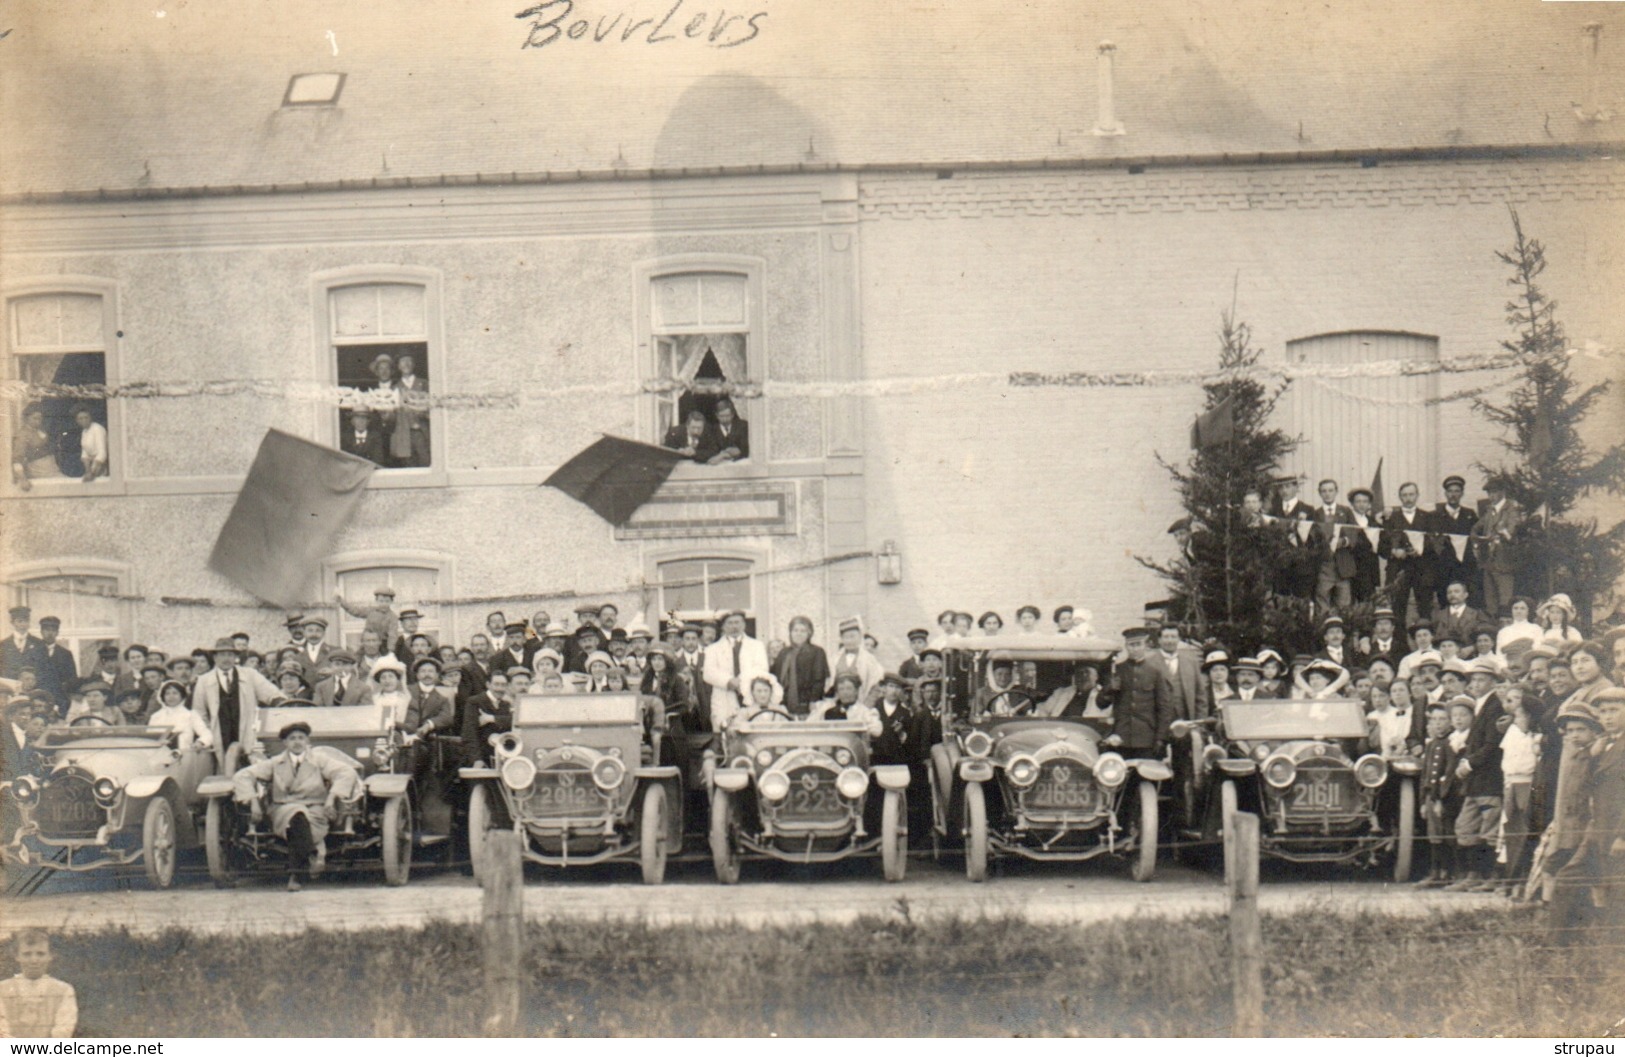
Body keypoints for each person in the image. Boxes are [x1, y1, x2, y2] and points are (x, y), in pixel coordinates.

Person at [232, 720, 362, 891]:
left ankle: (300, 870)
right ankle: (308, 861)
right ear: (285, 743)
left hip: (316, 808)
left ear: (308, 741)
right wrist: (254, 801)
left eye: (301, 737)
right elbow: (243, 775)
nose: (297, 742)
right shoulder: (275, 762)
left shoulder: (319, 760)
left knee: (299, 823)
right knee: (297, 816)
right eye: (292, 738)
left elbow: (347, 772)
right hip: (283, 808)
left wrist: (331, 798)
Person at [1446, 657, 1507, 891]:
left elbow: (1492, 745)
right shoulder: (1481, 704)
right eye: (1475, 679)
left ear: (1493, 681)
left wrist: (1469, 764)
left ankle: (1488, 876)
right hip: (1475, 783)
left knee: (1489, 830)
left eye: (1483, 679)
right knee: (1465, 827)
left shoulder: (1495, 705)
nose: (1477, 683)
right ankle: (1472, 874)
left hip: (1489, 780)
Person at [192, 638, 283, 769]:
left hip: (245, 732)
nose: (226, 659)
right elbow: (199, 713)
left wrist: (281, 703)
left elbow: (272, 694)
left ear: (235, 657)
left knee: (247, 769)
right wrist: (207, 735)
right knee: (222, 772)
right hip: (219, 735)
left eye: (230, 654)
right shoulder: (204, 681)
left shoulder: (249, 674)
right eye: (222, 654)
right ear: (215, 657)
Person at [1498, 685, 1541, 895]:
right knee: (1511, 833)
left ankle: (1521, 881)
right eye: (1517, 715)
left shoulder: (1536, 738)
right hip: (1512, 785)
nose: (1518, 719)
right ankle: (1510, 880)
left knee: (1525, 833)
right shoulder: (1513, 734)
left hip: (1528, 784)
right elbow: (1507, 763)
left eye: (1523, 715)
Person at [1106, 627, 1172, 757]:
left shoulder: (1155, 672)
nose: (1135, 649)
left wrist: (1160, 738)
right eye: (1131, 645)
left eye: (1138, 644)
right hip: (1121, 738)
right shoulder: (1118, 670)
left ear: (1145, 646)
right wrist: (1109, 688)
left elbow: (1164, 708)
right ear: (1126, 646)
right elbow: (1101, 703)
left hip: (1147, 739)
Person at [701, 610, 768, 731]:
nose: (734, 626)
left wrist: (741, 682)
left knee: (753, 729)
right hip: (724, 696)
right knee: (725, 731)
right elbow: (708, 673)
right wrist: (728, 681)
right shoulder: (713, 649)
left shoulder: (757, 645)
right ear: (723, 627)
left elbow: (762, 668)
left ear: (744, 624)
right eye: (730, 623)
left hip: (750, 695)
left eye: (737, 622)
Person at [0, 931, 77, 1038]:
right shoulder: (3, 989)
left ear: (50, 956)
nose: (34, 960)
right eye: (27, 954)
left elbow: (63, 1030)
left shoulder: (63, 990)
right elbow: (2, 1031)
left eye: (40, 954)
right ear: (17, 956)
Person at [1416, 702, 1457, 887]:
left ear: (1450, 722)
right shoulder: (1432, 744)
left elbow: (1448, 773)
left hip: (1444, 798)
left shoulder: (1451, 743)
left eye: (1442, 719)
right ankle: (1435, 872)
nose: (1438, 723)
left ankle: (1447, 872)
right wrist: (1424, 801)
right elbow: (1426, 775)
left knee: (1447, 833)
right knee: (1434, 835)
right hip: (1431, 797)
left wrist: (1441, 798)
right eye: (1434, 720)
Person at [1381, 481, 1434, 623]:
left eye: (1411, 494)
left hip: (1422, 569)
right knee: (1397, 610)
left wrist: (1421, 549)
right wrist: (1393, 551)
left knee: (1425, 609)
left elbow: (1435, 542)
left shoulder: (1427, 517)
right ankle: (1399, 643)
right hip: (1398, 569)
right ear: (1400, 497)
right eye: (1404, 495)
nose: (1408, 498)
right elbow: (1380, 544)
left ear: (1417, 495)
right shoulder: (1390, 518)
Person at [1431, 475, 1481, 609]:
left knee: (1468, 602)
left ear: (1462, 493)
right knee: (1445, 602)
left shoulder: (1469, 514)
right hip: (1444, 568)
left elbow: (1477, 538)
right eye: (1450, 491)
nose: (1453, 495)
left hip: (1465, 568)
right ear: (1445, 493)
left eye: (1457, 491)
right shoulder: (1435, 516)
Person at [771, 616, 830, 718]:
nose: (798, 633)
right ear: (790, 632)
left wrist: (813, 700)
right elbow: (775, 678)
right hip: (785, 706)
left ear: (809, 633)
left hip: (808, 705)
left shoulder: (817, 652)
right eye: (795, 630)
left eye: (803, 631)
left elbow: (819, 679)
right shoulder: (784, 653)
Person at [1311, 478, 1357, 611]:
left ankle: (1344, 630)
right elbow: (1311, 537)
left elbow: (1354, 533)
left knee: (1344, 605)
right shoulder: (1315, 514)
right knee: (1322, 604)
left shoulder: (1346, 511)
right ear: (1319, 493)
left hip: (1343, 565)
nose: (1327, 494)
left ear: (1336, 491)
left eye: (1331, 490)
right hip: (1324, 566)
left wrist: (1344, 542)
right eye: (1324, 491)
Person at [1152, 624, 1204, 721]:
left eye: (1173, 637)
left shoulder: (1191, 662)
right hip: (1157, 721)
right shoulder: (1149, 662)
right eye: (1166, 637)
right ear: (1159, 640)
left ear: (1179, 639)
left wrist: (1199, 723)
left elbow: (1200, 695)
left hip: (1185, 719)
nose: (1170, 641)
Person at [828, 617, 883, 706]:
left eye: (852, 636)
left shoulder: (869, 659)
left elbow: (875, 687)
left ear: (860, 637)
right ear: (841, 639)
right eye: (846, 637)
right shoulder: (834, 660)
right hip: (838, 705)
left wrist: (866, 707)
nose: (849, 641)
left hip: (862, 705)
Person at [148, 679, 215, 751]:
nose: (171, 697)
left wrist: (200, 742)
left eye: (175, 693)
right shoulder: (156, 716)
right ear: (162, 697)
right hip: (159, 756)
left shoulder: (190, 715)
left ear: (182, 696)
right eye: (167, 693)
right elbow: (149, 739)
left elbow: (207, 734)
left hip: (184, 756)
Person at [1345, 487, 1382, 603]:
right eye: (1358, 501)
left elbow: (1377, 548)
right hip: (1350, 568)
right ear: (1352, 504)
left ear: (1369, 504)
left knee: (1366, 604)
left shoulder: (1374, 522)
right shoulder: (1346, 521)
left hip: (1368, 570)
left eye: (1365, 501)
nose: (1362, 505)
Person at [334, 585, 399, 651]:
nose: (384, 604)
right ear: (376, 601)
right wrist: (341, 601)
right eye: (381, 601)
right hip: (366, 643)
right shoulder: (371, 611)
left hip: (382, 646)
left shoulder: (392, 617)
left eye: (387, 601)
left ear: (391, 602)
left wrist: (390, 651)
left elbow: (392, 636)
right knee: (357, 659)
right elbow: (356, 611)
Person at [10, 404, 59, 490]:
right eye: (34, 418)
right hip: (38, 469)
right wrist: (23, 479)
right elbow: (17, 459)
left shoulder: (40, 431)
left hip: (51, 467)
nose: (38, 421)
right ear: (26, 418)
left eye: (40, 418)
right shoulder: (22, 435)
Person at [1432, 580, 1489, 653]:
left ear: (1465, 595)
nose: (1452, 595)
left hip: (1470, 657)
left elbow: (1486, 637)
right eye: (1449, 592)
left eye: (1456, 591)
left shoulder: (1476, 614)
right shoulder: (1439, 615)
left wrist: (1472, 648)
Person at [32, 617, 76, 707]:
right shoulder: (33, 653)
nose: (50, 633)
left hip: (59, 699)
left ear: (57, 633)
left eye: (53, 630)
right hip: (38, 699)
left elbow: (72, 678)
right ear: (41, 632)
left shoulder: (66, 654)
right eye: (47, 630)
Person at [2, 606, 44, 682]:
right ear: (12, 622)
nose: (23, 624)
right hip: (10, 687)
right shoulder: (3, 645)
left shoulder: (39, 644)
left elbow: (43, 669)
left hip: (32, 688)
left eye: (26, 621)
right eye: (20, 621)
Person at [706, 396, 749, 464]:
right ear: (716, 415)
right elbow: (711, 450)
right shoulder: (712, 430)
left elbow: (745, 449)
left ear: (732, 415)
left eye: (727, 415)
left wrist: (736, 452)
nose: (725, 419)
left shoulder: (742, 426)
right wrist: (722, 455)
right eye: (722, 416)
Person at [72, 405, 107, 482]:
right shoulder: (84, 431)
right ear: (77, 420)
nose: (84, 420)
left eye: (86, 417)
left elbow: (102, 453)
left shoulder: (97, 429)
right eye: (80, 418)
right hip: (91, 467)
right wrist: (88, 471)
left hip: (101, 465)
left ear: (90, 417)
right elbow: (85, 453)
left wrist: (92, 471)